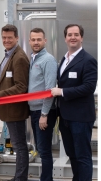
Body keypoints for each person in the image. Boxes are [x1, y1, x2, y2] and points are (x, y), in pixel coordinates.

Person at [50, 24, 97, 181]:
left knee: (82, 156)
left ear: (81, 37)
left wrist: (62, 92)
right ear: (65, 38)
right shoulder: (65, 58)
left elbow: (89, 87)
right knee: (72, 154)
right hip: (66, 117)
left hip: (81, 118)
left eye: (76, 34)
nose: (73, 37)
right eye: (70, 35)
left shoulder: (88, 60)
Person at [0, 24, 30, 181]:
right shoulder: (8, 55)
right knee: (17, 144)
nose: (6, 40)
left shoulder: (19, 57)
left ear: (17, 38)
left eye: (10, 38)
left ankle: (20, 178)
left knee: (20, 146)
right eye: (4, 37)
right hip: (9, 109)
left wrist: (0, 94)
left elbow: (21, 86)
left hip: (15, 110)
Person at [26, 27, 57, 181]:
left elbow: (50, 89)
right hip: (34, 110)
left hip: (43, 112)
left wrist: (44, 114)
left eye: (39, 39)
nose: (36, 42)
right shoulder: (33, 58)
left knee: (44, 150)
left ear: (45, 41)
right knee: (40, 148)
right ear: (30, 41)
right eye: (33, 39)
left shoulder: (48, 60)